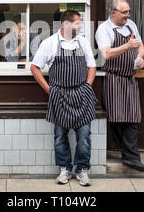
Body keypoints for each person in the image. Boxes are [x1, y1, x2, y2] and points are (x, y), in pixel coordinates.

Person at [30, 10, 97, 186]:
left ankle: (82, 169)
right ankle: (65, 169)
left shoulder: (83, 42)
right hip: (59, 95)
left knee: (84, 136)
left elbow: (92, 66)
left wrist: (87, 86)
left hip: (81, 95)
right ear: (66, 25)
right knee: (60, 136)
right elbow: (35, 67)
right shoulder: (50, 43)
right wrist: (48, 89)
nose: (81, 26)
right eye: (77, 23)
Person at [95, 0, 144, 172]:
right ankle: (128, 155)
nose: (128, 15)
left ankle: (132, 157)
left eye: (128, 12)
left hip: (130, 77)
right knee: (117, 118)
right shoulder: (104, 29)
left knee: (133, 117)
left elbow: (140, 45)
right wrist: (127, 46)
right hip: (114, 77)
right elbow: (107, 54)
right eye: (124, 13)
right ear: (113, 13)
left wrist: (140, 57)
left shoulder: (130, 25)